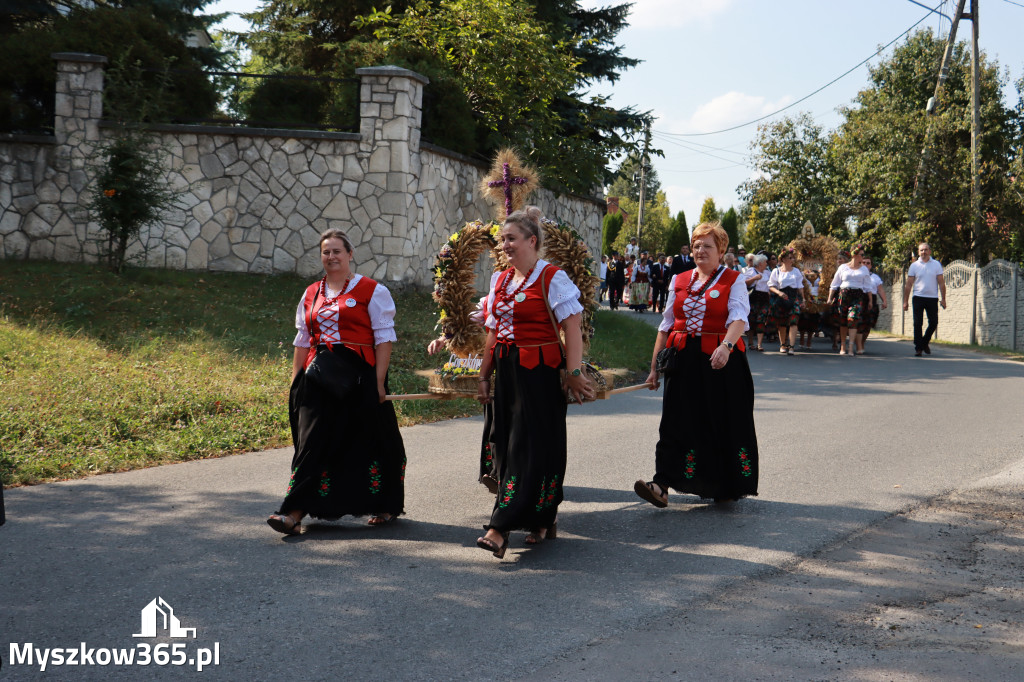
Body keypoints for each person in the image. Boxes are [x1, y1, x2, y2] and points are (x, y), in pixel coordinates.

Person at [267, 229, 406, 535]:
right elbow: (302, 339)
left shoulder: (372, 291)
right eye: (326, 252)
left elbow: (383, 338)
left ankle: (384, 503)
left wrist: (379, 383)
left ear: (350, 254)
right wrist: (296, 381)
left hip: (359, 377)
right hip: (317, 379)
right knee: (312, 441)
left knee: (374, 440)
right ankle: (293, 512)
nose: (331, 257)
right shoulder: (311, 293)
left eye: (337, 251)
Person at [475, 206, 594, 558]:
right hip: (508, 371)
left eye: (511, 239)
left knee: (531, 446)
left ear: (532, 240)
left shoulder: (552, 277)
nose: (505, 246)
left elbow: (572, 326)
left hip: (540, 373)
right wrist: (484, 374)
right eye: (502, 241)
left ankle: (500, 528)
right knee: (507, 442)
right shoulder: (500, 280)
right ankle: (544, 515)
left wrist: (573, 373)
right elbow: (493, 332)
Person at [634, 222, 758, 507]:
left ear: (721, 250)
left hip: (721, 360)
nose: (700, 250)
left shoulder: (733, 279)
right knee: (674, 420)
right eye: (696, 245)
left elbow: (740, 317)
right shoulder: (679, 279)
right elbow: (665, 326)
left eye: (707, 245)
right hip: (682, 359)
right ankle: (661, 483)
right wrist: (654, 368)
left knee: (720, 420)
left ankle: (725, 483)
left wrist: (726, 346)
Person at [427, 297, 498, 493]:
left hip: (524, 364)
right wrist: (443, 339)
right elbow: (469, 321)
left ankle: (515, 473)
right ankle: (496, 473)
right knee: (495, 420)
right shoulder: (492, 297)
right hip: (495, 366)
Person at [827, 245, 873, 356]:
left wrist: (870, 301)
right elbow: (835, 284)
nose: (863, 257)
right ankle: (843, 345)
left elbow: (868, 287)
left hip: (857, 296)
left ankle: (851, 346)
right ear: (855, 255)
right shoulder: (843, 267)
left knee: (853, 319)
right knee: (843, 320)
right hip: (844, 295)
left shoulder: (864, 270)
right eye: (861, 255)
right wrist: (829, 298)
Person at [902, 242, 946, 357]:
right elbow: (908, 284)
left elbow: (941, 283)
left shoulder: (936, 264)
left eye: (926, 250)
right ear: (918, 252)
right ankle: (918, 348)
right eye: (921, 250)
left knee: (934, 322)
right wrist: (905, 301)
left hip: (932, 298)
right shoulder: (914, 266)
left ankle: (924, 342)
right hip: (918, 297)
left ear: (930, 251)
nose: (923, 252)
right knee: (917, 323)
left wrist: (943, 299)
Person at [767, 247, 805, 355]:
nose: (792, 260)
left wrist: (803, 300)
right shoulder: (776, 271)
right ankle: (783, 344)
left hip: (793, 297)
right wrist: (779, 293)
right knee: (782, 322)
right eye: (790, 258)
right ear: (783, 259)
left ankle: (792, 346)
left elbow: (800, 286)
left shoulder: (796, 271)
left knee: (794, 320)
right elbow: (771, 286)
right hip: (782, 297)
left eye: (793, 258)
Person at [858, 257, 888, 353]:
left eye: (868, 263)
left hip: (872, 301)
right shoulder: (857, 275)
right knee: (858, 324)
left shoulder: (875, 277)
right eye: (864, 262)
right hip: (860, 299)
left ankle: (862, 343)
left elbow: (880, 289)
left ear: (871, 265)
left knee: (868, 325)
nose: (866, 264)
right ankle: (858, 344)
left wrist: (884, 301)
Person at [744, 253, 770, 351]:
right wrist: (754, 278)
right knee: (752, 320)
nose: (766, 264)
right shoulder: (751, 271)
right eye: (765, 262)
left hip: (764, 298)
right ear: (760, 263)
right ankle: (750, 343)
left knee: (761, 320)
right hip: (753, 297)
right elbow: (744, 282)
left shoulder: (767, 273)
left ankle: (759, 344)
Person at [797, 268, 821, 351]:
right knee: (803, 319)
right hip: (805, 299)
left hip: (816, 301)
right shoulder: (803, 277)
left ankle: (809, 340)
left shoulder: (820, 278)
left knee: (813, 320)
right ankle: (802, 338)